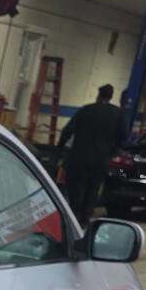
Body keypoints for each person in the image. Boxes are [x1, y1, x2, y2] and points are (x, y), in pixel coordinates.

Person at [58, 84, 130, 227]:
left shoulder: (86, 110)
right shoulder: (119, 114)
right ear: (111, 96)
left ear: (98, 95)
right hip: (101, 160)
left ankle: (74, 217)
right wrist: (112, 151)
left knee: (77, 188)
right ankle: (85, 218)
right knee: (93, 189)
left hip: (79, 157)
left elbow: (67, 130)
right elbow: (123, 136)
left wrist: (60, 149)